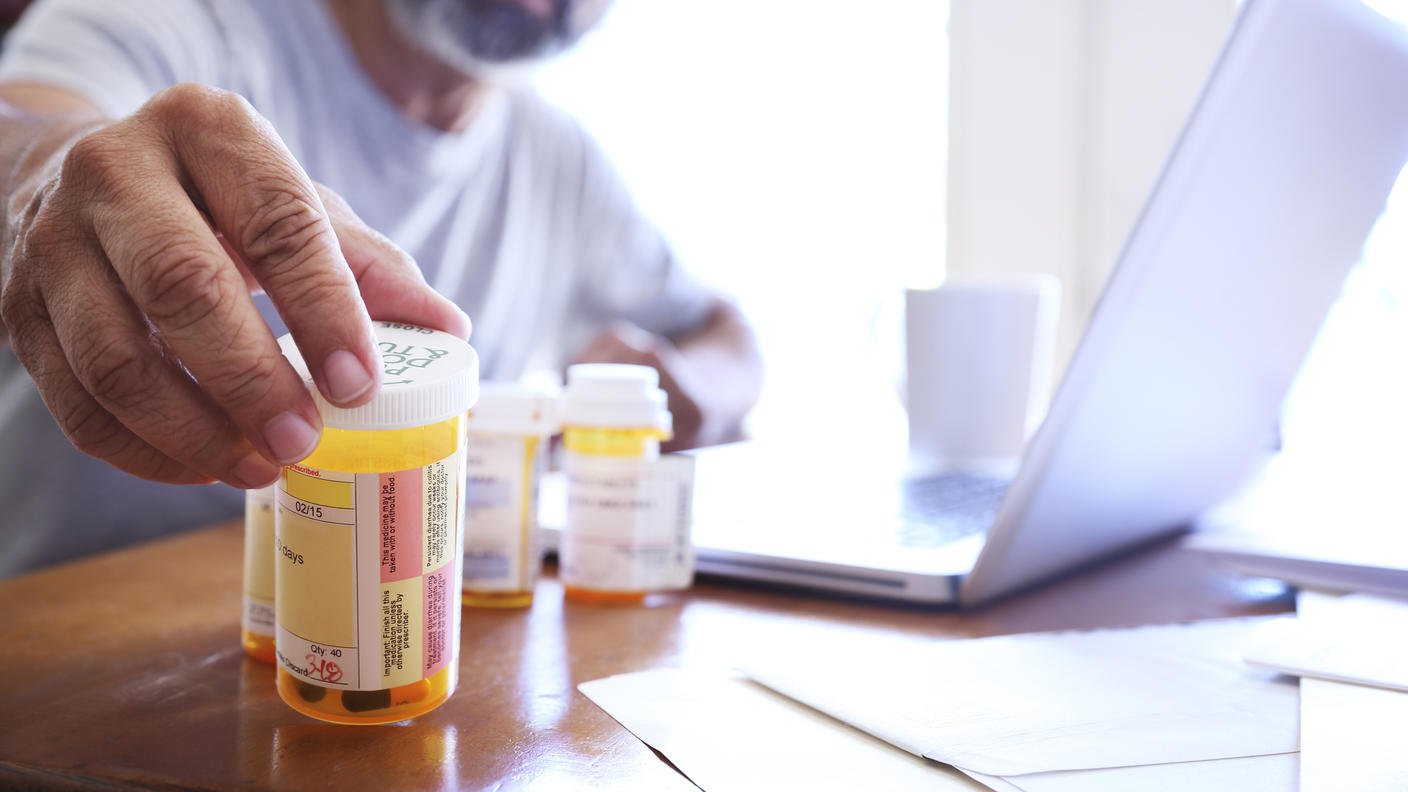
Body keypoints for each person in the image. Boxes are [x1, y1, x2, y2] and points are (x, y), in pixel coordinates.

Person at [0, 0, 762, 577]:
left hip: (376, 636)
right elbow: (23, 134)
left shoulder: (561, 158)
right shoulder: (173, 21)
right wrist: (46, 172)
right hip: (71, 642)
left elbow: (727, 334)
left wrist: (692, 387)